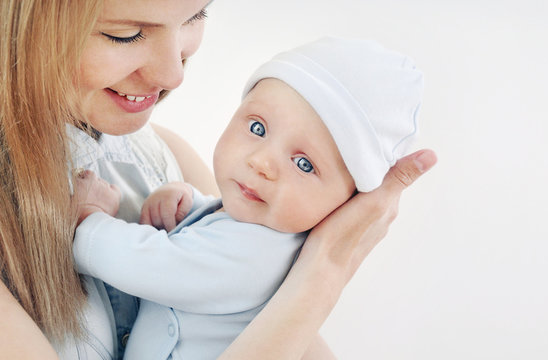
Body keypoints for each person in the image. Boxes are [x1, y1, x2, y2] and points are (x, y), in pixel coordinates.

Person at [0, 1, 436, 359]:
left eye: (195, 15)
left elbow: (171, 262)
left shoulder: (161, 156)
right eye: (125, 33)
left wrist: (324, 272)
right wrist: (324, 271)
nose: (175, 75)